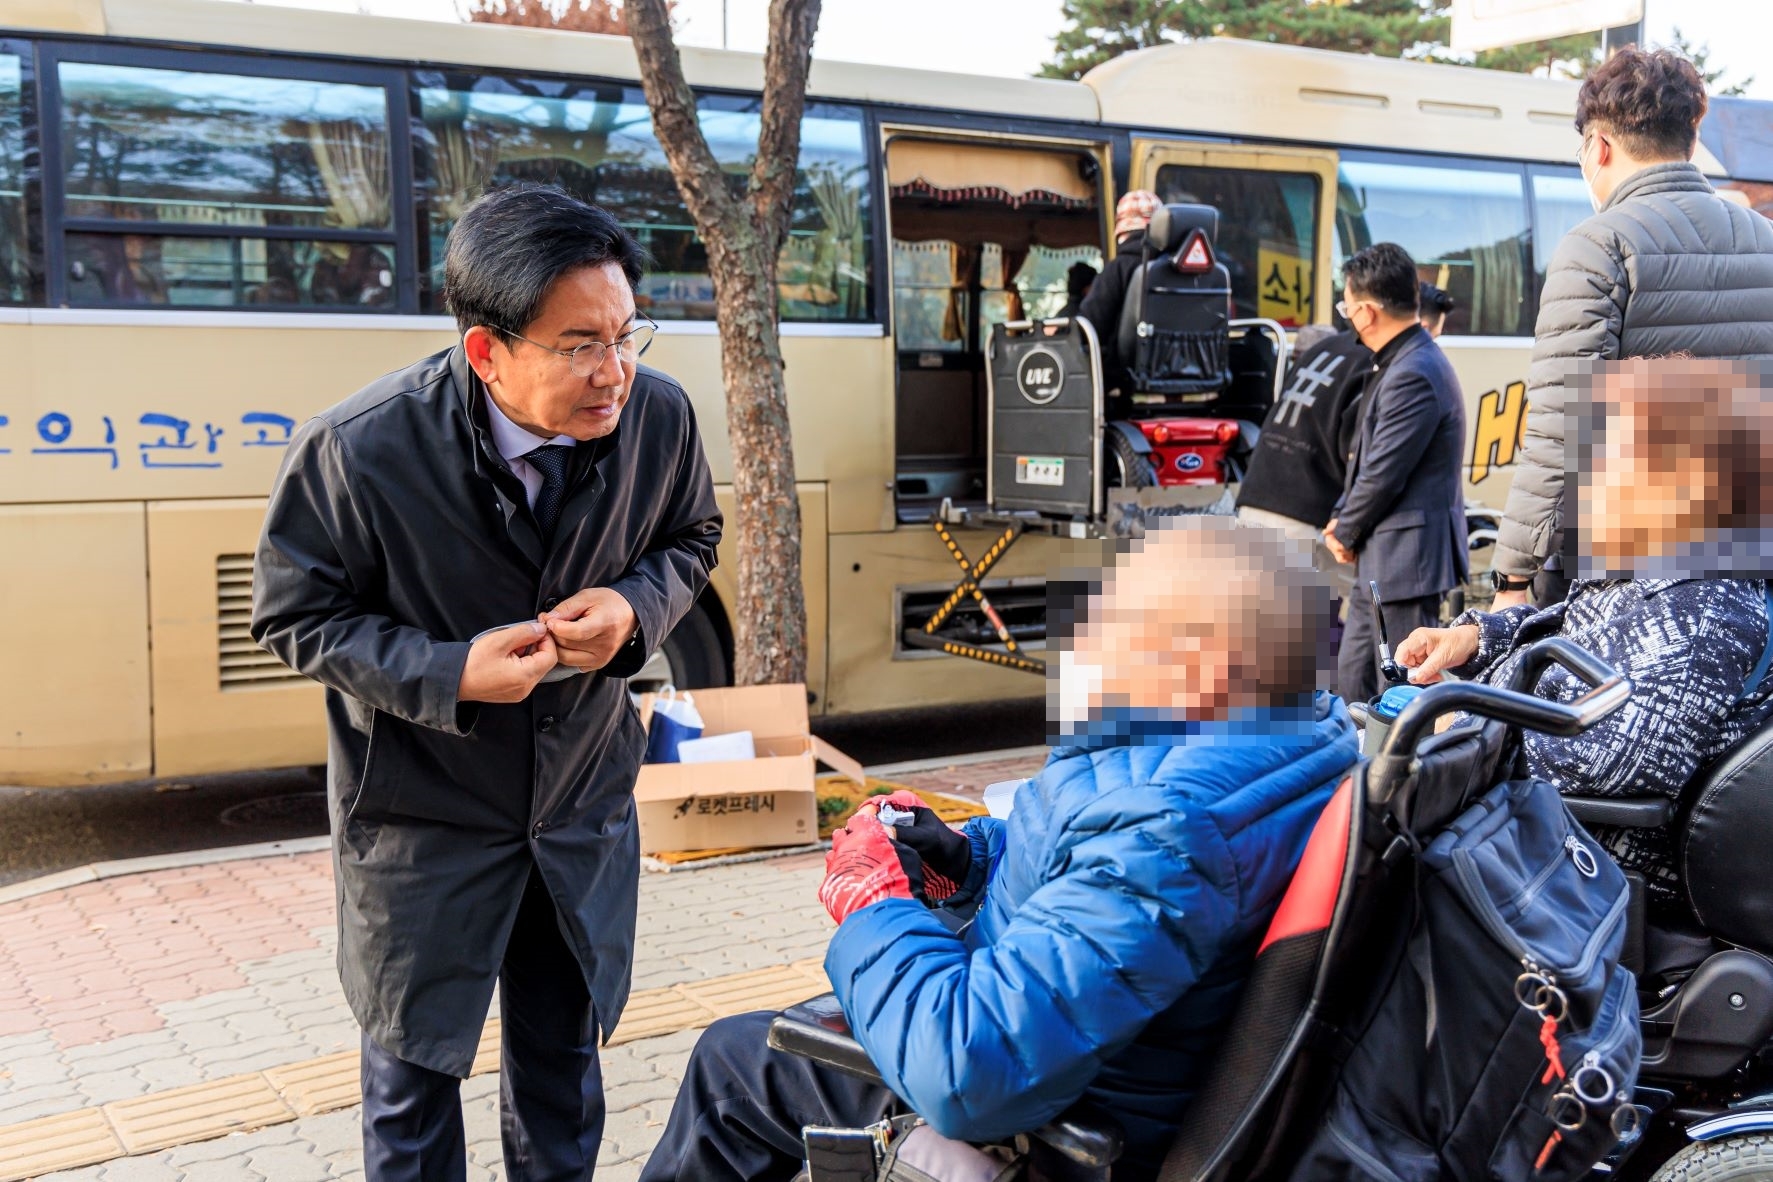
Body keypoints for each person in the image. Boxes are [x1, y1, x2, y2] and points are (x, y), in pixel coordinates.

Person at [636, 520, 1358, 1182]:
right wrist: (964, 857)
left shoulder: (1165, 827)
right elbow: (1100, 870)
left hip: (1060, 1120)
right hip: (1098, 1035)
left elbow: (969, 1075)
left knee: (734, 1063)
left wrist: (873, 904)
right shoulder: (1291, 735)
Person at [251, 184, 723, 1182]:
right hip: (423, 819)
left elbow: (693, 536)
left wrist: (637, 607)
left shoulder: (659, 419)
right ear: (486, 351)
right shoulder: (358, 451)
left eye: (628, 332)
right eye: (579, 345)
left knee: (562, 1072)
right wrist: (447, 671)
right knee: (413, 1092)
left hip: (578, 805)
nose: (616, 372)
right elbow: (293, 616)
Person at [1397, 357, 1773, 910]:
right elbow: (1573, 628)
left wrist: (1463, 722)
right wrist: (1480, 638)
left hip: (1587, 860)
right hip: (1545, 817)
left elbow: (1608, 759)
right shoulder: (1665, 559)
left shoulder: (1704, 609)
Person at [1492, 47, 1773, 612]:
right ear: (1690, 136)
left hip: (1631, 575)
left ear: (1599, 147)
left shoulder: (1598, 246)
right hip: (1751, 567)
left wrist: (1512, 578)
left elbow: (1559, 428)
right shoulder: (1765, 240)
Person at [1324, 243, 1468, 706]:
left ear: (1366, 313)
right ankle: (1361, 774)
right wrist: (1343, 518)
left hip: (1407, 560)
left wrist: (1345, 529)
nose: (1346, 316)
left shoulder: (1413, 371)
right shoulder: (1405, 361)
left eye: (1347, 306)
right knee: (1356, 679)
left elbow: (1384, 470)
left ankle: (1400, 778)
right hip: (1389, 556)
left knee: (1399, 693)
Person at [1078, 189, 1162, 396]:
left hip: (1123, 381)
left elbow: (1090, 326)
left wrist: (1064, 331)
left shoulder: (1119, 268)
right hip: (1184, 378)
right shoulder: (1184, 271)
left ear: (1122, 231)